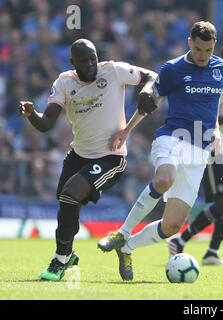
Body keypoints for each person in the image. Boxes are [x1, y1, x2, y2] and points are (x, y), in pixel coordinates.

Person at [97, 21, 223, 281]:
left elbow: (212, 104)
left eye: (209, 50)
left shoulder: (221, 69)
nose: (204, 55)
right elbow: (149, 101)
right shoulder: (173, 69)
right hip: (172, 139)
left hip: (199, 152)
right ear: (190, 43)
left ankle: (127, 247)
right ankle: (122, 232)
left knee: (172, 226)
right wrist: (126, 131)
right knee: (164, 179)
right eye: (200, 49)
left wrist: (217, 130)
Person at [18, 39, 156, 281]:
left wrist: (146, 90)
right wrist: (31, 114)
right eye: (84, 61)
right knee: (66, 204)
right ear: (73, 63)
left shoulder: (114, 70)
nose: (91, 64)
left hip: (111, 157)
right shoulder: (64, 82)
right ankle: (68, 255)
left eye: (93, 58)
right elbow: (46, 123)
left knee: (70, 194)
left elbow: (154, 76)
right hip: (78, 155)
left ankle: (59, 261)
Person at [167, 41, 223, 266]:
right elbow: (208, 116)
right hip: (216, 150)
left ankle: (212, 252)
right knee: (222, 203)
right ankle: (181, 240)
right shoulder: (219, 83)